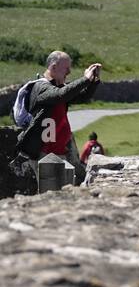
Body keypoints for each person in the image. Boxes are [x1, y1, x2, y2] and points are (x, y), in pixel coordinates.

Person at [15, 51, 102, 186]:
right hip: (44, 155)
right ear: (53, 67)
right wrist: (84, 79)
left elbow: (82, 96)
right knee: (52, 196)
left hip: (56, 153)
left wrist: (93, 81)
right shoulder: (41, 87)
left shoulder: (57, 87)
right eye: (66, 68)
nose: (69, 72)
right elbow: (61, 95)